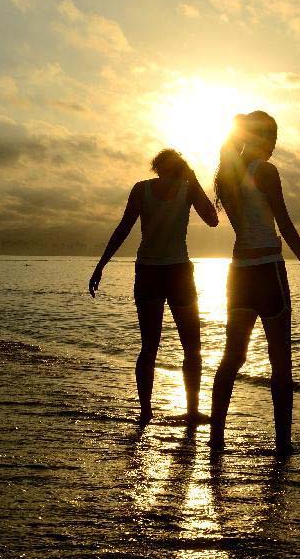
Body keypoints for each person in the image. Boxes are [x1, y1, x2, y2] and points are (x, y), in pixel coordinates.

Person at [210, 111, 300, 455]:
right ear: (264, 138)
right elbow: (285, 224)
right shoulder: (265, 171)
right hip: (268, 271)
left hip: (239, 271)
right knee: (281, 361)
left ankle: (216, 438)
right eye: (273, 138)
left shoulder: (225, 176)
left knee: (232, 356)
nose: (275, 145)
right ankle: (283, 443)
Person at [89, 149, 219, 425]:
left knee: (164, 346)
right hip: (165, 272)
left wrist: (101, 266)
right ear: (161, 169)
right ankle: (168, 411)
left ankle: (156, 412)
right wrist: (100, 265)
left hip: (163, 272)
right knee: (178, 347)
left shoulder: (175, 189)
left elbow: (211, 219)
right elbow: (124, 228)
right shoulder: (151, 190)